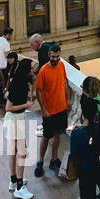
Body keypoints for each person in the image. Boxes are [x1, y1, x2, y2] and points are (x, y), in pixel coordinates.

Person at [33, 44, 70, 179]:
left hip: (61, 108)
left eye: (57, 57)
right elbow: (38, 91)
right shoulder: (43, 70)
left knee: (58, 134)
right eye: (53, 57)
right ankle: (40, 161)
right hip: (49, 111)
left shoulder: (61, 66)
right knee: (46, 136)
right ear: (49, 55)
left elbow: (64, 82)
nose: (55, 59)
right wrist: (43, 109)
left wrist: (67, 100)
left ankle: (54, 160)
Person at [2, 58, 35, 199]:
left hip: (14, 120)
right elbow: (8, 108)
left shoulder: (19, 82)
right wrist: (25, 106)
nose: (33, 71)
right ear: (26, 71)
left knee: (14, 151)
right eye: (32, 69)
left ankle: (13, 180)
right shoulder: (18, 85)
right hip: (15, 120)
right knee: (22, 152)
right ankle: (20, 187)